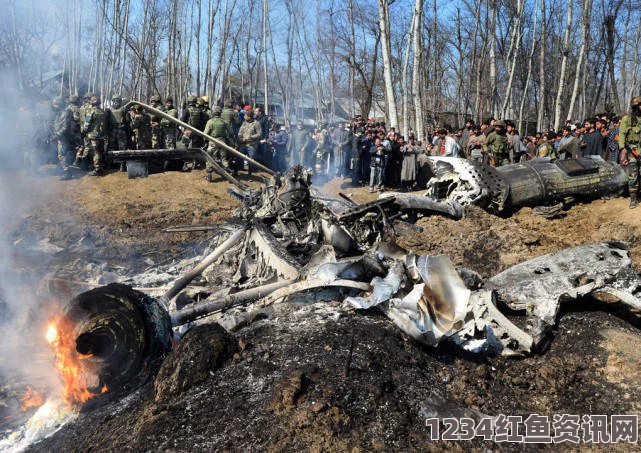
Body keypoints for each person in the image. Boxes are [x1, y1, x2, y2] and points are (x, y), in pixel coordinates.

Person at [618, 96, 641, 208]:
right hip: (633, 151)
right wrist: (623, 150)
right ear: (636, 107)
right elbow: (621, 135)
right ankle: (633, 199)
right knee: (633, 175)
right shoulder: (626, 119)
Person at [203, 106, 233, 180]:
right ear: (220, 113)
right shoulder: (224, 121)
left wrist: (206, 140)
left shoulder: (210, 121)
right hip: (223, 142)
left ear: (213, 113)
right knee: (223, 158)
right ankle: (227, 170)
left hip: (213, 142)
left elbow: (205, 134)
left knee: (210, 157)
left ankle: (209, 173)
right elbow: (231, 132)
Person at [80, 96, 107, 175]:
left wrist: (83, 132)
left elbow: (87, 124)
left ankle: (97, 169)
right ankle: (87, 165)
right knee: (95, 150)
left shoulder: (91, 111)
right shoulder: (102, 111)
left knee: (95, 151)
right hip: (100, 134)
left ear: (92, 102)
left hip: (92, 135)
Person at [237, 109, 262, 180]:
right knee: (238, 158)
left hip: (252, 145)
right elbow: (240, 132)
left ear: (250, 117)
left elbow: (259, 134)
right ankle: (235, 172)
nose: (244, 116)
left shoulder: (256, 123)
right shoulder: (244, 122)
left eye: (246, 115)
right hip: (243, 144)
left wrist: (250, 137)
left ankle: (249, 175)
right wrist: (241, 138)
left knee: (251, 161)